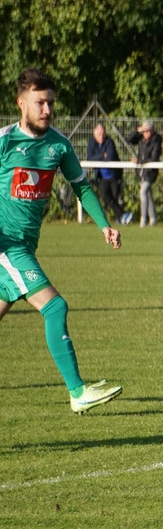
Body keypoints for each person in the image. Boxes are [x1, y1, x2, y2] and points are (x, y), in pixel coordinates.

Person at [0, 68, 123, 413]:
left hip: (25, 244)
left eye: (51, 103)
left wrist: (104, 225)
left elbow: (81, 186)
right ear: (21, 103)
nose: (48, 110)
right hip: (5, 245)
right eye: (40, 103)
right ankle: (77, 391)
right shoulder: (4, 142)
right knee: (55, 306)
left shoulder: (59, 145)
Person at [86, 123, 132, 226]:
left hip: (114, 175)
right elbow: (89, 159)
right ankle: (124, 215)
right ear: (94, 134)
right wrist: (102, 155)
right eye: (99, 134)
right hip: (102, 177)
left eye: (103, 133)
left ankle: (120, 218)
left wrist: (99, 157)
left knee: (116, 197)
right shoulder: (91, 143)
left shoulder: (109, 142)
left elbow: (110, 157)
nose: (101, 136)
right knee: (106, 197)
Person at [126, 119, 162, 228]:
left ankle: (143, 220)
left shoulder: (156, 141)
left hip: (150, 173)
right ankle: (153, 219)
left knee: (143, 193)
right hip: (140, 173)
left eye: (148, 131)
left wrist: (138, 161)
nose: (146, 133)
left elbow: (153, 158)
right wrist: (138, 130)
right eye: (144, 131)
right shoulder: (141, 139)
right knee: (148, 195)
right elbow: (129, 140)